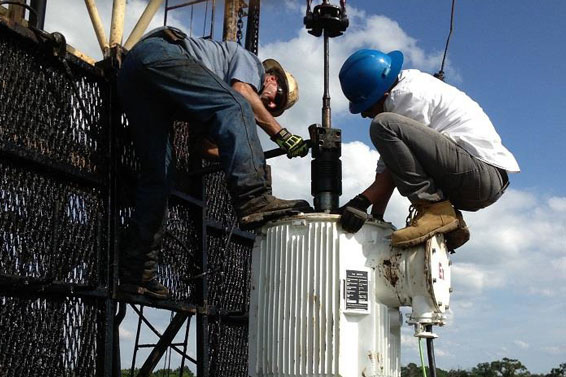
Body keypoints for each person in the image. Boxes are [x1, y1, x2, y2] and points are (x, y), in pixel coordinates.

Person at [116, 26, 312, 299]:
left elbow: (205, 147)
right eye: (276, 97)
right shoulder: (250, 64)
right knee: (237, 105)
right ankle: (254, 197)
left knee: (158, 179)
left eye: (275, 109)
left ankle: (137, 273)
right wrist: (281, 134)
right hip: (158, 54)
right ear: (270, 77)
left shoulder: (206, 92)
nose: (270, 105)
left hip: (137, 80)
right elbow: (242, 93)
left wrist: (241, 151)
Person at [338, 49, 520, 249]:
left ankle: (435, 211)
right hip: (473, 179)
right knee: (385, 127)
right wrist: (375, 217)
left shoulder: (407, 96)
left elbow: (392, 172)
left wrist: (360, 201)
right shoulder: (405, 90)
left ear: (383, 93)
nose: (365, 115)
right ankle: (449, 221)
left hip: (479, 175)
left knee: (382, 124)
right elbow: (390, 167)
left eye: (367, 107)